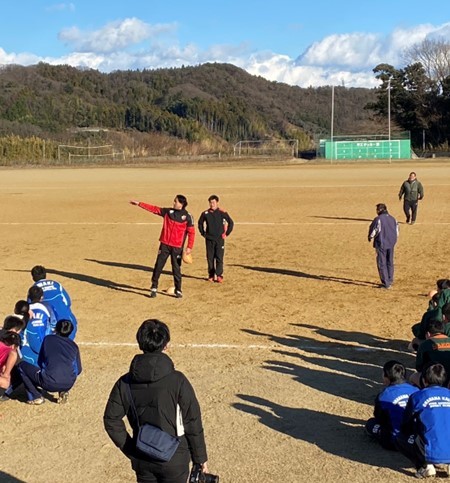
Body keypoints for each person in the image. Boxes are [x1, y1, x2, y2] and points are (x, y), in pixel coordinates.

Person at [104, 319, 208, 483]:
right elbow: (192, 420)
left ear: (140, 343)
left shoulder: (124, 382)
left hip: (143, 455)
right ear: (166, 345)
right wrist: (200, 459)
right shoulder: (178, 380)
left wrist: (132, 450)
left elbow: (111, 419)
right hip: (175, 458)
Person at [130, 196, 195, 299]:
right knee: (158, 266)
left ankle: (178, 290)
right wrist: (139, 204)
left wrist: (189, 247)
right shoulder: (168, 212)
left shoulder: (188, 216)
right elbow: (154, 209)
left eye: (175, 201)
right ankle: (154, 287)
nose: (173, 202)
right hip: (164, 245)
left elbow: (191, 233)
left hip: (177, 247)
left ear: (181, 204)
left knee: (176, 269)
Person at [396, 363, 450, 478]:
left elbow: (406, 424)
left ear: (424, 380)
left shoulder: (417, 396)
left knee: (400, 437)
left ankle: (425, 466)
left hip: (429, 448)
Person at [18, 320, 82, 405]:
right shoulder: (74, 346)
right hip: (69, 383)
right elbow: (79, 370)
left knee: (21, 366)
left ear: (56, 328)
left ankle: (35, 396)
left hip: (49, 382)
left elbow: (40, 361)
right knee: (64, 368)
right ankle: (63, 390)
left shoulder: (48, 339)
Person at [365, 360, 419, 450]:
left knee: (371, 423)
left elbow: (379, 417)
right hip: (414, 439)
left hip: (393, 442)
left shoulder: (384, 395)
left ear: (386, 377)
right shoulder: (416, 390)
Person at [31, 265, 78, 339]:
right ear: (45, 275)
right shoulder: (56, 284)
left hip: (48, 324)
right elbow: (68, 302)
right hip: (65, 321)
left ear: (33, 277)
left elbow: (31, 308)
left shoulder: (34, 289)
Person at [198, 195, 234, 283]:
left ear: (217, 202)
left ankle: (219, 275)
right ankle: (211, 275)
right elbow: (200, 223)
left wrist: (226, 233)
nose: (212, 204)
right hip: (209, 239)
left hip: (219, 239)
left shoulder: (222, 213)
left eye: (213, 202)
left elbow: (231, 223)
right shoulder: (205, 213)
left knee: (219, 258)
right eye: (210, 202)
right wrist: (203, 233)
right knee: (210, 258)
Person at [410, 319, 450, 387]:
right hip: (449, 381)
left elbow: (419, 367)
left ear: (428, 334)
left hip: (434, 379)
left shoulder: (425, 345)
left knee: (413, 377)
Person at [368, 203, 399, 289]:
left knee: (382, 263)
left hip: (382, 243)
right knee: (390, 262)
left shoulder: (378, 219)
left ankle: (386, 283)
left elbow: (374, 230)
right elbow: (397, 232)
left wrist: (370, 237)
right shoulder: (393, 219)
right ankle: (390, 279)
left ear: (379, 210)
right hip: (391, 243)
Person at [21, 286, 53, 365]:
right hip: (44, 346)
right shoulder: (47, 307)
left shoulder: (24, 309)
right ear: (42, 297)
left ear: (29, 297)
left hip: (26, 347)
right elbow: (53, 324)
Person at [0, 331, 21, 398]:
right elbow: (13, 353)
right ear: (13, 346)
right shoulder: (9, 350)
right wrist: (6, 374)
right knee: (5, 382)